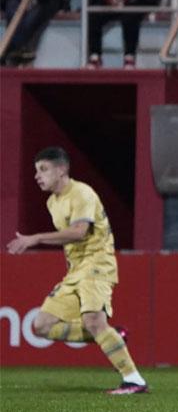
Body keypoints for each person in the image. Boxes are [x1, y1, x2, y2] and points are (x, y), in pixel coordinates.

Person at [5, 147, 148, 395]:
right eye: (36, 171)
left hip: (97, 263)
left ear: (61, 170)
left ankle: (133, 380)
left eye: (44, 169)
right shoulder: (53, 202)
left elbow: (79, 232)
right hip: (76, 271)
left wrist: (35, 238)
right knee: (41, 325)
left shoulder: (82, 193)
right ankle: (110, 336)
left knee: (93, 320)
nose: (38, 176)